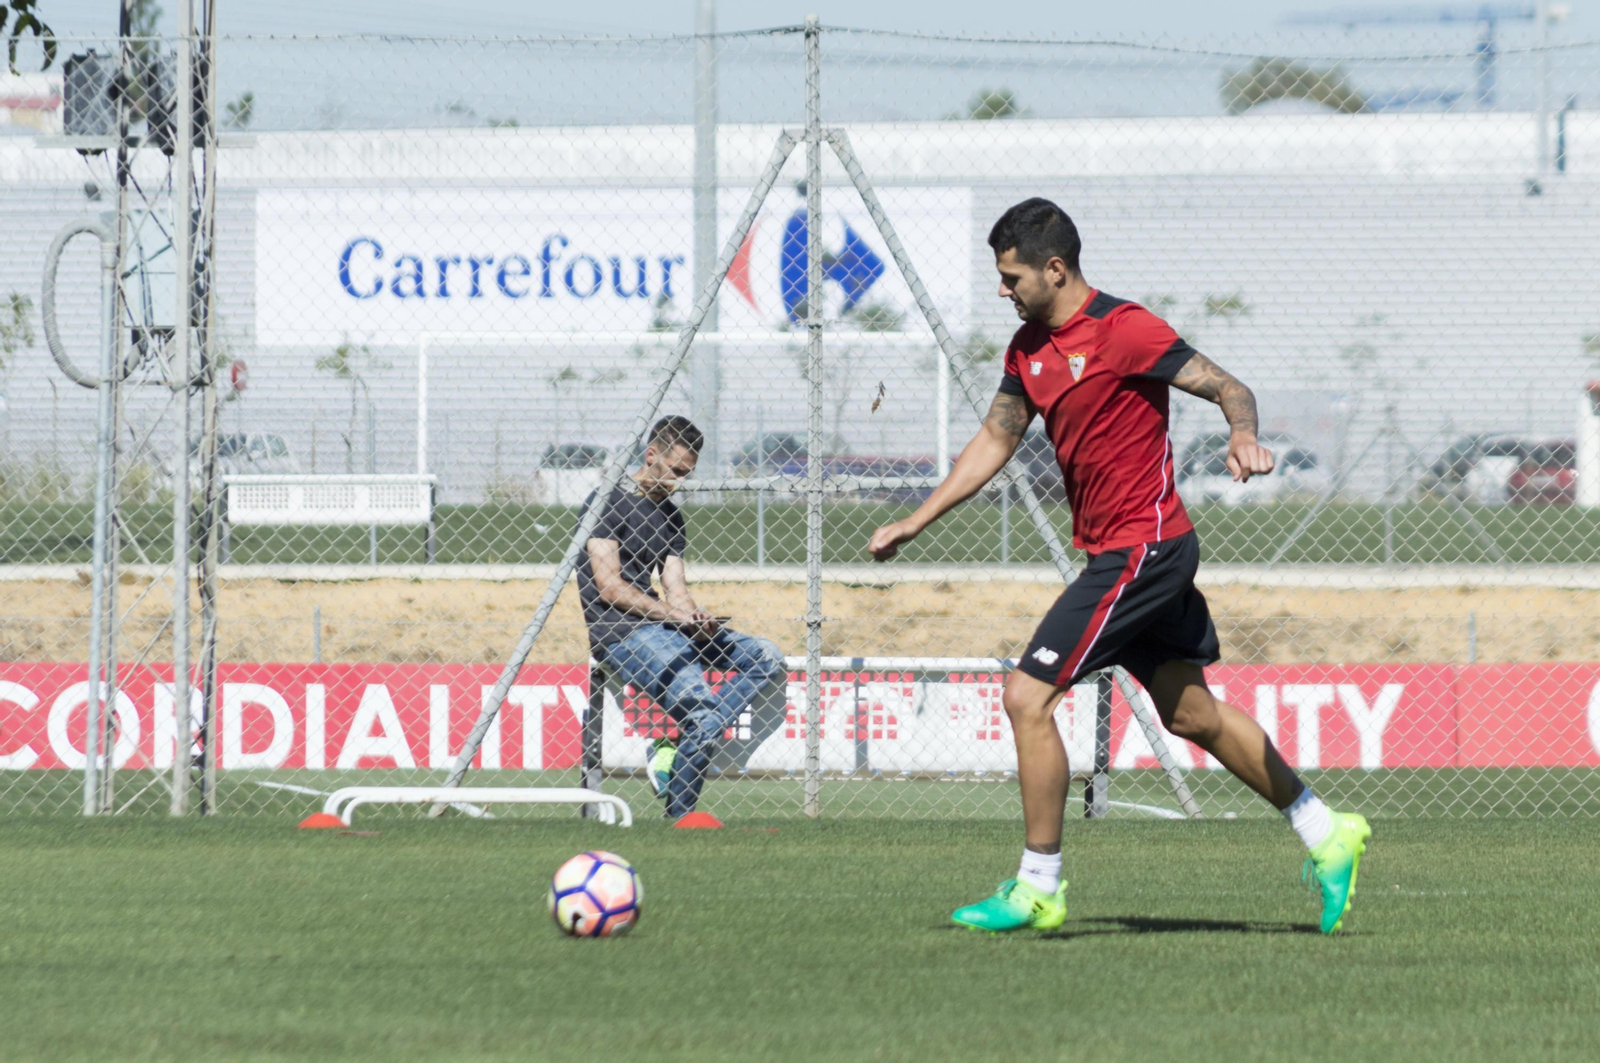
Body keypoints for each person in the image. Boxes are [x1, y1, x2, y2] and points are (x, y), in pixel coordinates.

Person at [867, 198, 1370, 935]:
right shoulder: (1027, 349)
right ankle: (1327, 829)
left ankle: (1039, 885)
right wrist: (917, 518)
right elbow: (996, 439)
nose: (1002, 290)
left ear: (1055, 268)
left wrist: (1243, 435)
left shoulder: (1126, 329)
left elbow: (1232, 387)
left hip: (1147, 548)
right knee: (1191, 713)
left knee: (1026, 695)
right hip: (1121, 552)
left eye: (1011, 277)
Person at [576, 415, 786, 821]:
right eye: (674, 471)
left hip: (666, 625)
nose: (679, 481)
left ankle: (673, 746)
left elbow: (676, 588)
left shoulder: (671, 517)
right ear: (651, 455)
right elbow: (609, 587)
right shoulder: (606, 501)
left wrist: (695, 615)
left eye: (686, 474)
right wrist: (672, 614)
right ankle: (681, 816)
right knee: (704, 715)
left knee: (766, 657)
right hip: (621, 632)